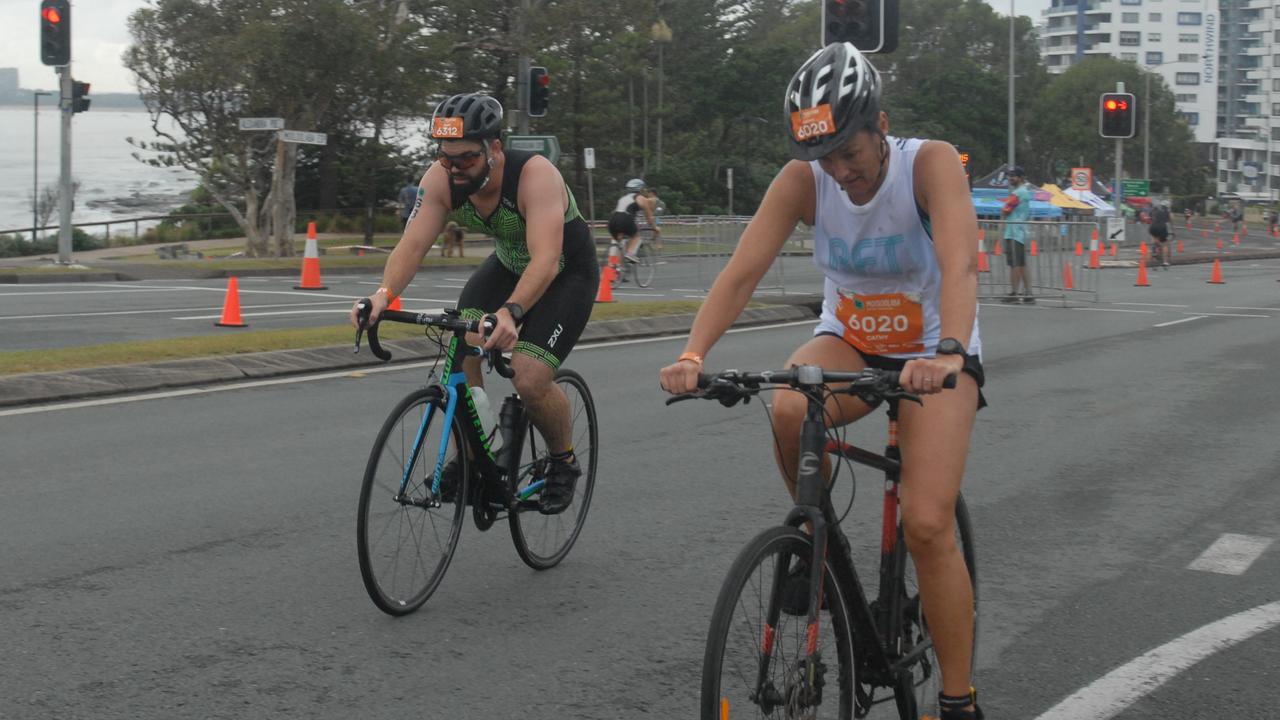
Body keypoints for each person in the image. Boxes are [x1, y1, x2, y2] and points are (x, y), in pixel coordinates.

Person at [659, 43, 985, 720]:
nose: (840, 172)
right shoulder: (803, 181)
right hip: (853, 341)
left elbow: (960, 265)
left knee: (927, 524)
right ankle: (817, 538)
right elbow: (743, 271)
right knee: (786, 406)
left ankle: (958, 699)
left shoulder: (929, 164)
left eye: (850, 153)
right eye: (825, 157)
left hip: (933, 351)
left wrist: (950, 351)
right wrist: (694, 353)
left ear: (880, 126)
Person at [350, 93, 599, 515]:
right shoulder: (441, 179)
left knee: (528, 376)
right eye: (445, 158)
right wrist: (381, 295)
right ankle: (478, 454)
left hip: (564, 273)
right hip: (506, 265)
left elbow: (545, 259)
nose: (454, 168)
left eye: (465, 159)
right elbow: (411, 247)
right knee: (460, 348)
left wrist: (511, 312)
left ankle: (563, 460)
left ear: (494, 149)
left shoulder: (535, 176)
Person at [607, 178, 661, 264]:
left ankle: (612, 272)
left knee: (616, 243)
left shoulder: (623, 198)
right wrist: (654, 227)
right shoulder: (641, 198)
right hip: (625, 219)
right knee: (637, 237)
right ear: (641, 189)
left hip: (613, 220)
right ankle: (630, 254)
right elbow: (649, 216)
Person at [1001, 166, 1034, 304]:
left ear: (1020, 178)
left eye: (1013, 176)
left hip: (1014, 232)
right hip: (1020, 232)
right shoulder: (1024, 192)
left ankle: (1015, 293)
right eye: (1008, 175)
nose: (1009, 178)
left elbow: (1005, 210)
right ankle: (1028, 293)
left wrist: (1004, 213)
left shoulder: (1018, 193)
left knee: (1015, 264)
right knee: (1021, 264)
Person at [1149, 202, 1172, 268]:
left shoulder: (1156, 211)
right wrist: (1173, 231)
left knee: (1155, 239)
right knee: (1164, 244)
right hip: (1162, 227)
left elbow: (1151, 217)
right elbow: (1170, 221)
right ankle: (1165, 261)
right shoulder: (1167, 212)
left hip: (1152, 227)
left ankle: (1154, 249)